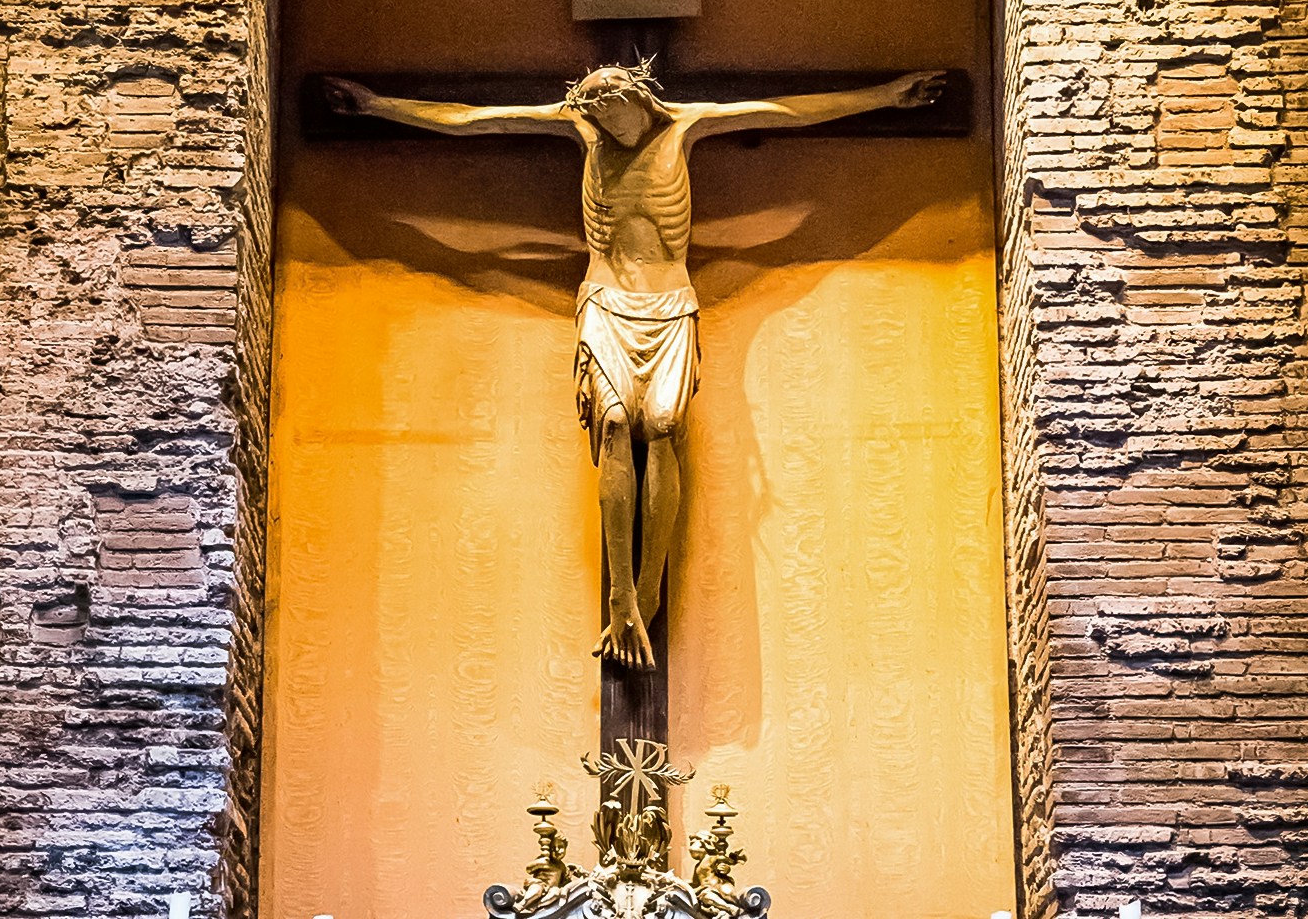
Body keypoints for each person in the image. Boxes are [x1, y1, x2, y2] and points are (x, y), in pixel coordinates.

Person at [325, 59, 945, 670]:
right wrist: (377, 105)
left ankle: (649, 589)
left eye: (608, 102)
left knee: (665, 427)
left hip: (671, 303)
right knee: (617, 425)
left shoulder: (687, 125)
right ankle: (621, 588)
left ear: (639, 97)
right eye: (590, 105)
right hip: (603, 301)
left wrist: (889, 94)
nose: (598, 114)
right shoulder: (580, 128)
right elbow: (472, 120)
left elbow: (792, 110)